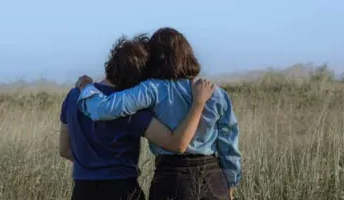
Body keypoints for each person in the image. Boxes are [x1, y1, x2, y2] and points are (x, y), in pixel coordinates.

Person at [75, 27, 242, 200]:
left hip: (171, 176)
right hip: (213, 177)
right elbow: (229, 144)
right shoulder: (216, 93)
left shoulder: (152, 89)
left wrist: (86, 87)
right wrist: (231, 182)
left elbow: (103, 109)